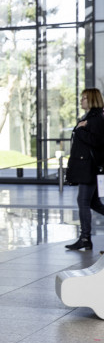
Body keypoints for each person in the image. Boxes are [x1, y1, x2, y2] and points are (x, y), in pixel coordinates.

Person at [65, 88, 104, 250]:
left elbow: (98, 141)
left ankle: (85, 238)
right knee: (94, 203)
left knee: (83, 201)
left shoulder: (95, 119)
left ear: (92, 100)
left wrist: (80, 130)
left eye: (84, 98)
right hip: (87, 167)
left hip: (89, 168)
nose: (81, 101)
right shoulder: (89, 117)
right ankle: (85, 238)